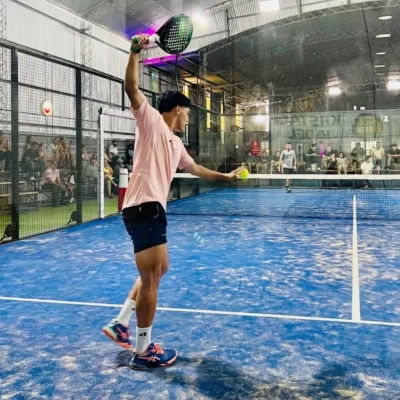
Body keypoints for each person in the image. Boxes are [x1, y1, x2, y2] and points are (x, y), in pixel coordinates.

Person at [102, 34, 242, 370]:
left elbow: (195, 169)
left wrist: (225, 177)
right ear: (178, 110)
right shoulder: (151, 121)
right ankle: (143, 351)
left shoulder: (176, 143)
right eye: (188, 113)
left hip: (150, 210)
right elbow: (132, 88)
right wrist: (135, 52)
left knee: (159, 270)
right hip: (144, 206)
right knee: (151, 278)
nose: (189, 118)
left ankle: (121, 322)